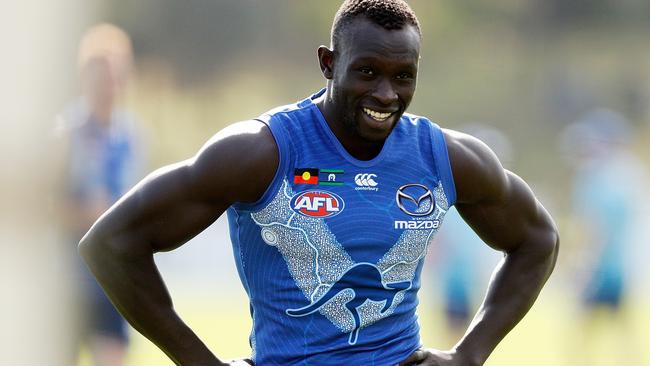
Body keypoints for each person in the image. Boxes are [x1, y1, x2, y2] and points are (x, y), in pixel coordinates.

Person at [79, 1, 558, 365]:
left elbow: (538, 240)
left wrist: (470, 354)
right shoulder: (259, 153)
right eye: (367, 72)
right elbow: (111, 243)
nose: (386, 94)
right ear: (328, 63)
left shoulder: (446, 158)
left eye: (403, 77)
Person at [57, 23, 143, 366]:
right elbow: (42, 209)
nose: (109, 86)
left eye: (115, 76)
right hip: (66, 281)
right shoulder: (64, 134)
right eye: (100, 77)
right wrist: (84, 213)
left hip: (108, 278)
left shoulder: (130, 136)